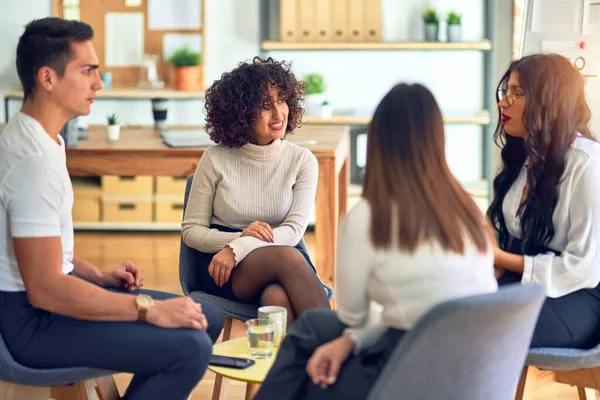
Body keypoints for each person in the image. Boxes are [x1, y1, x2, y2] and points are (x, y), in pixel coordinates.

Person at [0, 17, 224, 400]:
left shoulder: (44, 139)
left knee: (207, 316)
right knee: (191, 347)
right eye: (87, 71)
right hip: (31, 326)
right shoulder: (32, 161)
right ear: (47, 78)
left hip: (42, 306)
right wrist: (147, 308)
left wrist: (97, 275)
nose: (98, 84)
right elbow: (46, 289)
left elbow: (46, 252)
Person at [254, 83, 498, 400]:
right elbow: (417, 312)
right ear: (438, 139)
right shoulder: (469, 214)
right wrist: (350, 342)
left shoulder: (368, 218)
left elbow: (352, 317)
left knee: (311, 350)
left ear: (377, 142)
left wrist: (350, 338)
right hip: (475, 374)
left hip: (409, 375)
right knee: (315, 325)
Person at [181, 57, 330, 326]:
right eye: (264, 106)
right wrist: (234, 242)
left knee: (278, 298)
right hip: (224, 266)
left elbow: (294, 231)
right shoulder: (215, 158)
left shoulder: (302, 161)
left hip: (270, 253)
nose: (278, 113)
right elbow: (191, 231)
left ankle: (295, 366)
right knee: (288, 257)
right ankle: (339, 352)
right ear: (241, 113)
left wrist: (241, 246)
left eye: (282, 100)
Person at [489, 53, 600, 349]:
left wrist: (499, 259)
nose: (503, 102)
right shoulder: (523, 154)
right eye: (505, 92)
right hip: (527, 282)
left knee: (475, 326)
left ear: (547, 100)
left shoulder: (587, 163)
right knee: (444, 304)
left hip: (575, 297)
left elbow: (581, 268)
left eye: (517, 93)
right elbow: (503, 228)